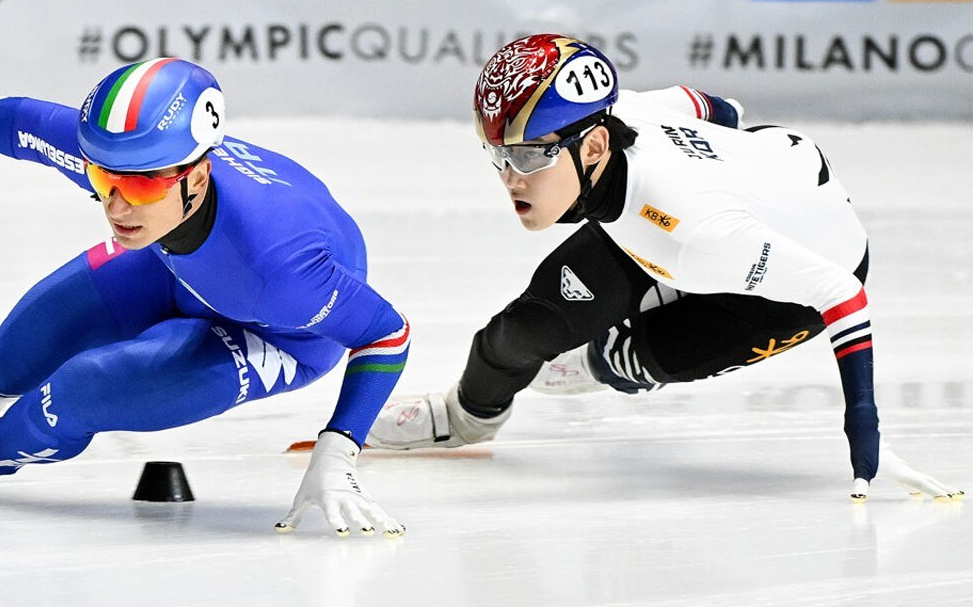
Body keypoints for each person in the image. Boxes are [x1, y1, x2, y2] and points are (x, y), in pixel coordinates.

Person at [0, 58, 409, 536]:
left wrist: (338, 450)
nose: (114, 205)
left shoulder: (280, 266)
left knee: (85, 388)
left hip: (278, 332)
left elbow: (386, 333)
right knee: (18, 347)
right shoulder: (130, 164)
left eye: (137, 185)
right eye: (100, 179)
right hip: (175, 259)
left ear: (196, 173)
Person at [367, 34, 962, 503]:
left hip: (788, 286)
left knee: (634, 360)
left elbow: (839, 293)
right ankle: (467, 419)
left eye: (529, 154)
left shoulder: (699, 236)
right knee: (522, 332)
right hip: (692, 215)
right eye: (497, 154)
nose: (511, 178)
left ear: (595, 147)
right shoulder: (624, 115)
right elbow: (714, 106)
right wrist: (736, 159)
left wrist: (864, 421)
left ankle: (605, 358)